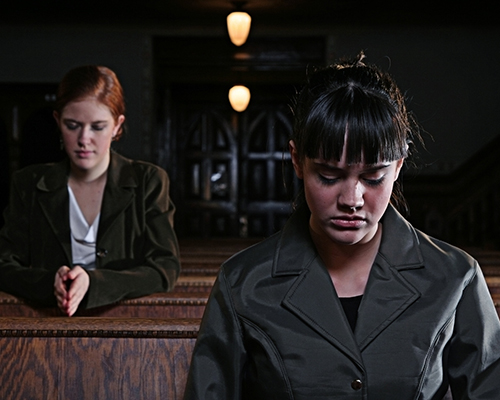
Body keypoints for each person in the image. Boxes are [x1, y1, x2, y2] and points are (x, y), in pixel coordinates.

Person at [184, 52, 500, 399]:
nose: (352, 198)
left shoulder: (455, 277)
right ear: (297, 161)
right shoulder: (242, 283)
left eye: (373, 177)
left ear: (397, 168)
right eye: (329, 175)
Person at [0, 65, 180, 316]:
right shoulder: (28, 183)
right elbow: (4, 265)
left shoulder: (148, 181)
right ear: (57, 121)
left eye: (98, 127)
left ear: (117, 126)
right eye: (72, 125)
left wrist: (95, 282)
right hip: (46, 328)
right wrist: (49, 282)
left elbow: (165, 268)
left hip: (124, 329)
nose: (84, 139)